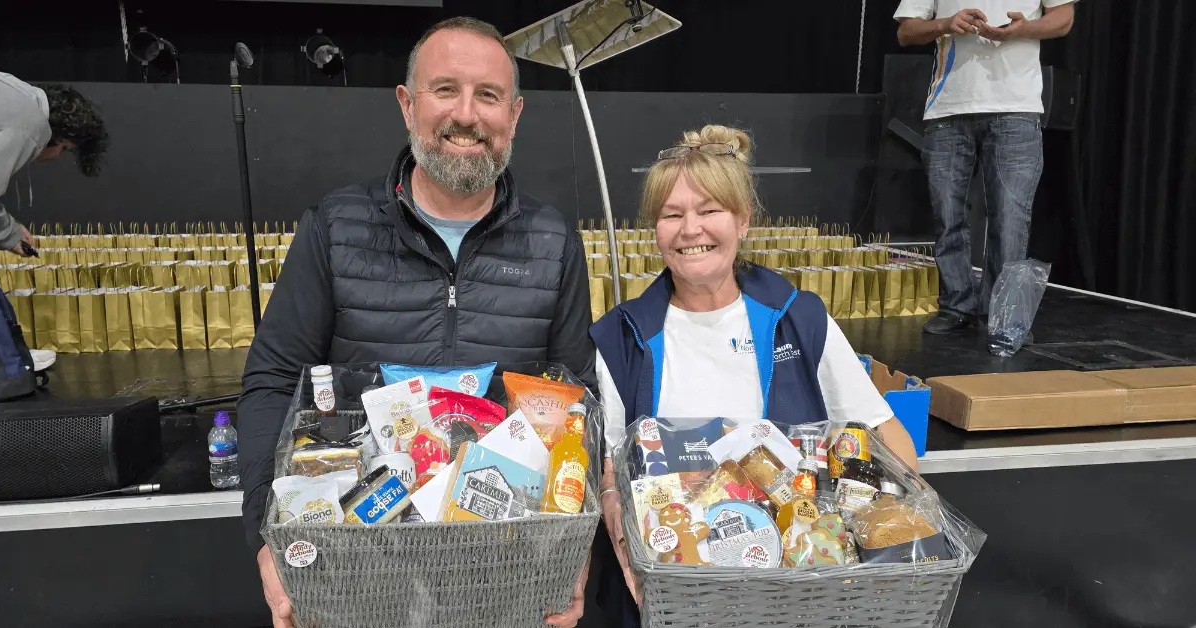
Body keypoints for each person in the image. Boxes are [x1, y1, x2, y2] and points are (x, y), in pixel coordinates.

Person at [237, 17, 601, 628]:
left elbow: (578, 402)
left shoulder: (553, 240)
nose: (466, 114)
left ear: (514, 115)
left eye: (487, 95)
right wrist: (265, 541)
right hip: (358, 569)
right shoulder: (335, 227)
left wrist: (574, 557)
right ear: (407, 105)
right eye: (445, 90)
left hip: (506, 573)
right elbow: (273, 382)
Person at [590, 125, 920, 621]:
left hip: (795, 592)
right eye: (671, 214)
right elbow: (612, 464)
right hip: (680, 588)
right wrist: (620, 527)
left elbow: (884, 435)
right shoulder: (621, 337)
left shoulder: (799, 319)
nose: (689, 229)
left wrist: (892, 533)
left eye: (709, 211)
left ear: (743, 221)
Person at [893, 1, 1077, 334]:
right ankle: (956, 302)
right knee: (947, 215)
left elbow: (1063, 19)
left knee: (1010, 218)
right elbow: (906, 30)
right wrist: (946, 23)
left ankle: (1002, 316)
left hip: (1016, 107)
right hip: (947, 108)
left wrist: (1022, 30)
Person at [0, 73, 109, 372]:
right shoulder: (31, 130)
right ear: (59, 140)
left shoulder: (21, 94)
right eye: (66, 150)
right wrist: (8, 234)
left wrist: (8, 230)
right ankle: (10, 366)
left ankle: (12, 359)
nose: (57, 156)